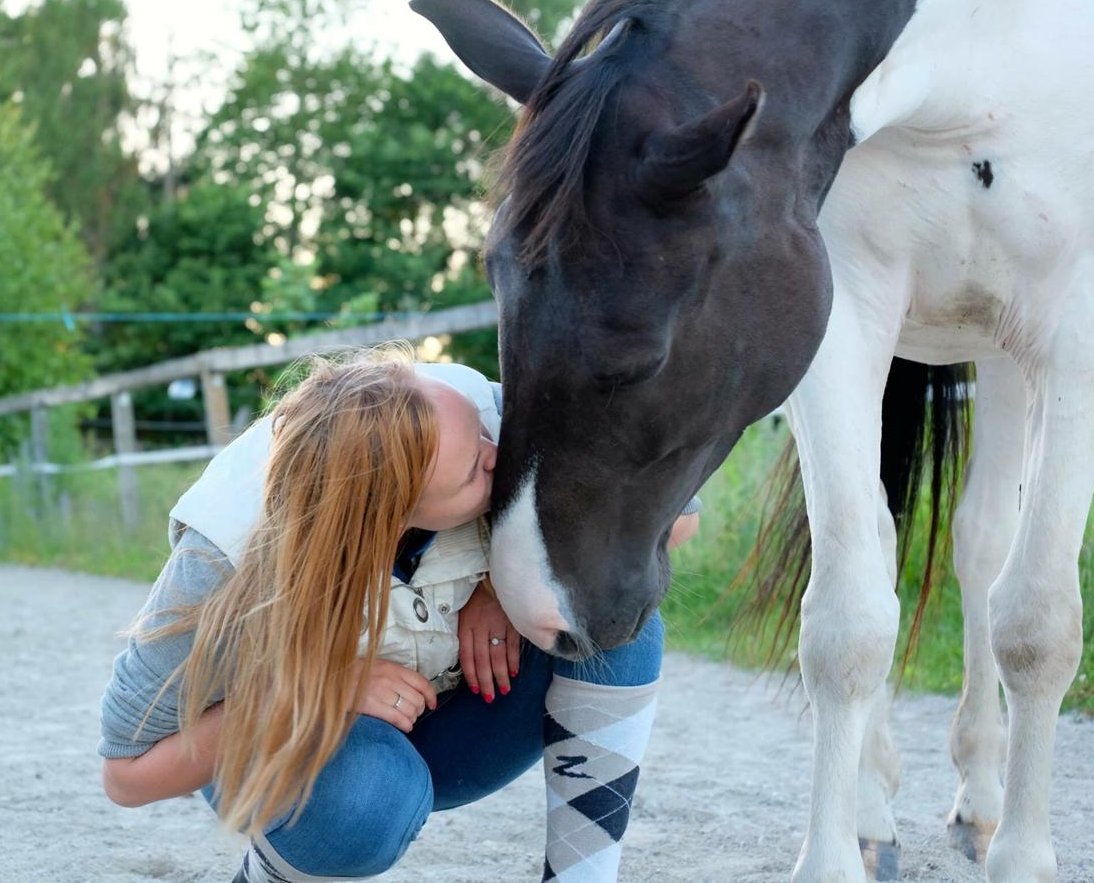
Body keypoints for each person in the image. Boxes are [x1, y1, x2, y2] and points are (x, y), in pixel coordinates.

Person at [97, 344, 700, 883]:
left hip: (452, 719)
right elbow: (127, 777)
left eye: (485, 442)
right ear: (387, 513)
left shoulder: (481, 421)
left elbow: (679, 514)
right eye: (474, 471)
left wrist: (504, 580)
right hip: (307, 757)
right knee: (364, 803)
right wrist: (321, 690)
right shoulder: (225, 555)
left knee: (613, 616)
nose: (499, 457)